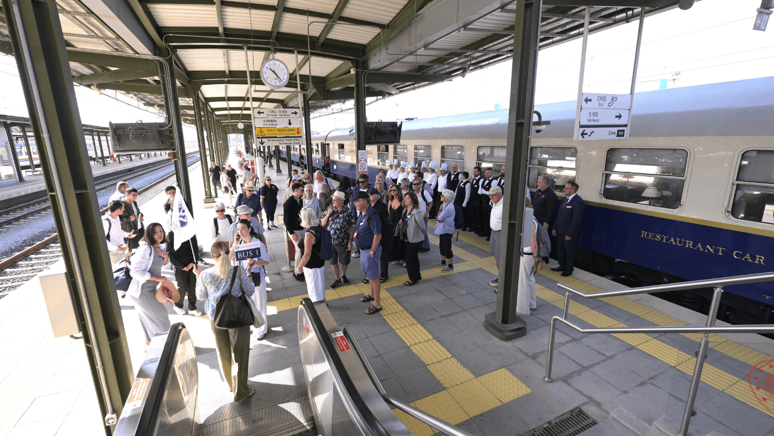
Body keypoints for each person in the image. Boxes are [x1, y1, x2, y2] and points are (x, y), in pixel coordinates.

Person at [194, 241, 255, 402]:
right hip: (237, 318)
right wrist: (248, 273)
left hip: (216, 318)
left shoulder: (205, 274)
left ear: (213, 256)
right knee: (240, 355)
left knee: (223, 353)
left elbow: (200, 297)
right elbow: (250, 291)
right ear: (229, 253)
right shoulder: (238, 270)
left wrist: (197, 276)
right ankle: (241, 390)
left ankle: (230, 385)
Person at [127, 222, 171, 345]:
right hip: (141, 291)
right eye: (155, 232)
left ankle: (150, 344)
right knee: (161, 315)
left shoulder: (159, 247)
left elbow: (161, 263)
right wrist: (157, 278)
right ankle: (168, 345)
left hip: (150, 290)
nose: (159, 234)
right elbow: (135, 272)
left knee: (148, 319)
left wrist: (165, 257)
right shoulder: (146, 249)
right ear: (149, 234)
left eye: (161, 231)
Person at [232, 220, 270, 339]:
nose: (240, 231)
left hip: (256, 277)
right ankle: (254, 326)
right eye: (238, 229)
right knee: (249, 304)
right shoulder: (239, 244)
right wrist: (235, 243)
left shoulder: (258, 244)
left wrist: (255, 263)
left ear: (249, 229)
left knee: (260, 302)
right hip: (244, 277)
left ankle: (262, 329)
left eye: (243, 228)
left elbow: (267, 260)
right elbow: (231, 259)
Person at [353, 192, 382, 314]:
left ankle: (377, 303)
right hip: (364, 250)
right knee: (369, 275)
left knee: (374, 276)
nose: (355, 204)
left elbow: (377, 235)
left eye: (357, 201)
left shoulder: (373, 215)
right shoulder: (362, 214)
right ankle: (371, 294)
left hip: (371, 250)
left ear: (364, 202)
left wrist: (372, 251)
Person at [321, 191, 354, 288]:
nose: (333, 201)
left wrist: (350, 240)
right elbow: (322, 224)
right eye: (333, 199)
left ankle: (343, 275)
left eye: (335, 200)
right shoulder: (329, 209)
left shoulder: (348, 211)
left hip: (343, 242)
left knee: (344, 261)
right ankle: (337, 279)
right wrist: (328, 215)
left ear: (341, 200)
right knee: (333, 261)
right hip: (330, 242)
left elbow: (351, 226)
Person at [167, 228, 203, 316]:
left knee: (192, 285)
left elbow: (195, 249)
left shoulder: (190, 232)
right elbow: (169, 253)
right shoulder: (171, 234)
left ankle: (192, 307)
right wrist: (181, 266)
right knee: (181, 286)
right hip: (179, 265)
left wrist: (193, 262)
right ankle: (178, 305)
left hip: (191, 264)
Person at [552, 182, 585, 277]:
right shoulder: (565, 199)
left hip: (568, 233)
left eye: (566, 188)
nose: (564, 189)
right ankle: (562, 266)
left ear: (573, 190)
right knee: (560, 250)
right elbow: (559, 215)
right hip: (560, 231)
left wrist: (570, 234)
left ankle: (569, 269)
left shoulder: (578, 202)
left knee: (569, 251)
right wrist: (555, 228)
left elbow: (576, 220)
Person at [296, 207, 327, 305]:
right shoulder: (318, 226)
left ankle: (318, 310)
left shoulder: (310, 233)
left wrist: (299, 268)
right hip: (319, 262)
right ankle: (323, 301)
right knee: (320, 285)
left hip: (312, 265)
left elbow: (306, 255)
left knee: (314, 291)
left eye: (301, 215)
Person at [517, 201, 541, 316]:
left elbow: (533, 242)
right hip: (530, 255)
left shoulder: (528, 220)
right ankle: (532, 303)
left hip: (527, 254)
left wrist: (536, 257)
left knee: (522, 281)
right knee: (530, 279)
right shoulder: (533, 218)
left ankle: (522, 309)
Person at [401, 192, 426, 286]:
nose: (405, 200)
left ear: (412, 200)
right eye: (405, 198)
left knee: (408, 258)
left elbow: (422, 225)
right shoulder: (405, 210)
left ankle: (412, 278)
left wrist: (424, 233)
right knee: (414, 257)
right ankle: (417, 275)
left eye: (407, 198)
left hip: (415, 239)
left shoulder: (416, 212)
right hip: (407, 237)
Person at [532, 174, 557, 264]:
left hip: (543, 221)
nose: (537, 184)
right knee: (536, 239)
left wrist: (547, 222)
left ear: (545, 183)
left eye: (539, 182)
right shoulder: (538, 192)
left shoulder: (551, 195)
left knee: (544, 239)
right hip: (535, 220)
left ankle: (545, 257)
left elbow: (551, 210)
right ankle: (537, 254)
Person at [369, 188, 392, 283]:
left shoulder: (382, 206)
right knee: (371, 255)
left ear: (376, 196)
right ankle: (370, 275)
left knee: (383, 255)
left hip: (381, 234)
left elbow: (385, 221)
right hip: (371, 234)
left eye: (370, 195)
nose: (369, 196)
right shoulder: (368, 205)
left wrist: (381, 234)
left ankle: (384, 274)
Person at [284, 183, 305, 281]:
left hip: (301, 228)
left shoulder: (300, 200)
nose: (303, 191)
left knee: (303, 250)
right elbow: (286, 220)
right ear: (295, 190)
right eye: (302, 190)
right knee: (299, 251)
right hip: (295, 231)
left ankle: (301, 268)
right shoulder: (288, 203)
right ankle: (297, 272)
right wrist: (292, 233)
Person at [102, 200, 133, 266]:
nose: (124, 209)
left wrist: (127, 235)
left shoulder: (116, 217)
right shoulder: (105, 221)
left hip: (122, 249)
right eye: (123, 208)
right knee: (120, 273)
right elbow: (102, 239)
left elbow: (118, 230)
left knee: (128, 269)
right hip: (114, 253)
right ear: (118, 210)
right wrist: (115, 248)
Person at [434, 190, 456, 272]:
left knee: (447, 247)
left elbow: (439, 219)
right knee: (442, 245)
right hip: (443, 229)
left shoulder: (448, 208)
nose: (440, 197)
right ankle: (443, 262)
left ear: (446, 198)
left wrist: (440, 210)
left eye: (442, 196)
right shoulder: (446, 204)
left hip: (447, 230)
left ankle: (450, 265)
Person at [488, 186, 504, 287]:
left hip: (500, 233)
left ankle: (502, 279)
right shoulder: (495, 203)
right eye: (490, 195)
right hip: (494, 232)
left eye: (493, 195)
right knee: (496, 256)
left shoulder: (504, 205)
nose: (491, 197)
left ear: (499, 194)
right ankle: (501, 276)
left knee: (500, 258)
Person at [412, 177, 433, 253]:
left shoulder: (424, 193)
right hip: (415, 216)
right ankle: (420, 245)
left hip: (423, 216)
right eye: (415, 184)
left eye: (418, 184)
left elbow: (431, 202)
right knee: (417, 231)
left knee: (424, 231)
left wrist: (427, 212)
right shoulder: (412, 194)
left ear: (420, 185)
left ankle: (426, 246)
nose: (416, 185)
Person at [387, 184, 405, 266]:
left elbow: (406, 211)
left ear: (398, 191)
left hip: (400, 223)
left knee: (400, 240)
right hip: (392, 223)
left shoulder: (402, 201)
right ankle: (394, 257)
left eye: (394, 189)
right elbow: (389, 212)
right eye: (391, 190)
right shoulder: (390, 200)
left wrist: (403, 220)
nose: (392, 191)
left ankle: (402, 258)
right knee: (392, 240)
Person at [478, 167, 496, 239]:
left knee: (489, 218)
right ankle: (485, 231)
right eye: (486, 172)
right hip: (483, 202)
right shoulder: (483, 180)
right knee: (484, 217)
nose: (486, 174)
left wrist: (485, 192)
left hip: (489, 203)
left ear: (492, 173)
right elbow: (480, 190)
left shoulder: (494, 181)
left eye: (488, 173)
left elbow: (493, 192)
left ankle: (490, 234)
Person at [469, 166, 483, 233]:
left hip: (478, 201)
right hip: (472, 200)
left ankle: (479, 228)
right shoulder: (473, 179)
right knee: (473, 214)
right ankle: (473, 226)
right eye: (473, 171)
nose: (474, 172)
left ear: (479, 172)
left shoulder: (481, 180)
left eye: (475, 171)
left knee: (478, 215)